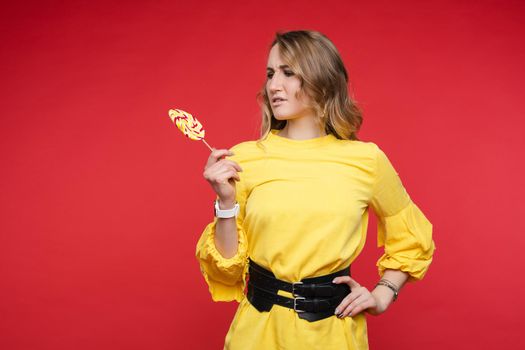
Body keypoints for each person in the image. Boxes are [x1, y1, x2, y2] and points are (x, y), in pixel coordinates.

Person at [196, 30, 435, 349]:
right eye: (270, 74)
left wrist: (382, 294)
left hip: (332, 335)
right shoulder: (246, 158)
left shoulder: (366, 160)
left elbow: (411, 239)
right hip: (256, 335)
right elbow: (226, 273)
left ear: (321, 78)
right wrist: (225, 203)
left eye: (288, 73)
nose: (274, 85)